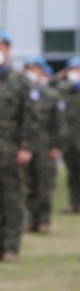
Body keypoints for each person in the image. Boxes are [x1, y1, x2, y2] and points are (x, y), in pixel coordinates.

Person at [0, 30, 38, 262]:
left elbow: (29, 117)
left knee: (12, 198)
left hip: (11, 149)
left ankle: (11, 247)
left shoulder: (20, 81)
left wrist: (25, 146)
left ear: (8, 51)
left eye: (1, 47)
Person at [21, 57, 64, 234]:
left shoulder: (52, 95)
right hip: (27, 147)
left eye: (34, 69)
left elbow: (59, 124)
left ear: (42, 72)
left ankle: (44, 221)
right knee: (29, 185)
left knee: (45, 186)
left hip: (46, 148)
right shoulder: (23, 93)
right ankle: (32, 220)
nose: (31, 73)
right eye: (28, 69)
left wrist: (57, 146)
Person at [60, 56, 80, 213]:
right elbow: (51, 84)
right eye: (73, 69)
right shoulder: (64, 90)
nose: (76, 73)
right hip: (69, 140)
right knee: (72, 173)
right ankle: (74, 204)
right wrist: (62, 74)